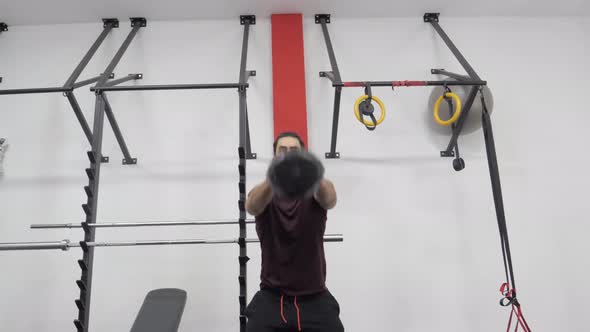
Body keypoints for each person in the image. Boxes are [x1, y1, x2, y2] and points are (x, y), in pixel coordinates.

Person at [245, 132, 344, 332]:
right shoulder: (264, 194)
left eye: (294, 152)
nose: (288, 156)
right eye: (282, 151)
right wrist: (275, 176)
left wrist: (313, 173)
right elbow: (252, 206)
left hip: (315, 298)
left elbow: (330, 199)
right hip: (273, 298)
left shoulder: (315, 193)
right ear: (274, 158)